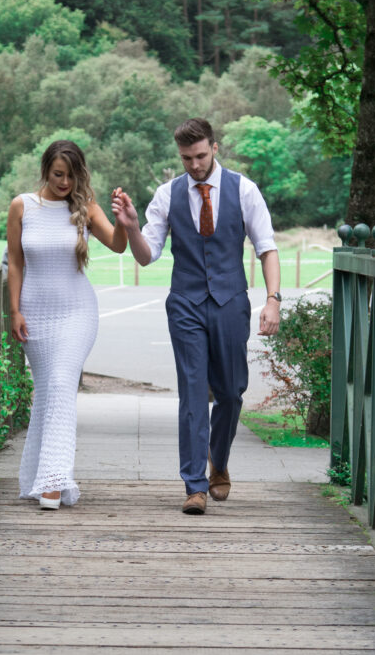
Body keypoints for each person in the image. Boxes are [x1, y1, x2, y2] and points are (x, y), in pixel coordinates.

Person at [112, 117, 281, 515]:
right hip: (185, 304)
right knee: (191, 393)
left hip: (230, 303)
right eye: (186, 158)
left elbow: (267, 247)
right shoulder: (167, 194)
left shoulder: (244, 190)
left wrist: (273, 300)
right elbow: (146, 255)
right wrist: (133, 227)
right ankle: (194, 485)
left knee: (231, 391)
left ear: (215, 148)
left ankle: (218, 461)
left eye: (201, 155)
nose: (194, 164)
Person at [7, 139, 127, 509]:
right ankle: (37, 477)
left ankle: (54, 482)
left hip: (77, 312)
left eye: (72, 177)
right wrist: (14, 311)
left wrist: (124, 221)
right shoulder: (22, 206)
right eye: (59, 175)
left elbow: (119, 246)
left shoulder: (86, 208)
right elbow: (14, 262)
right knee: (47, 392)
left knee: (60, 384)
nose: (65, 183)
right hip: (35, 314)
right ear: (46, 170)